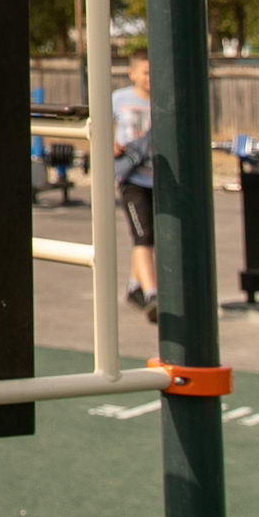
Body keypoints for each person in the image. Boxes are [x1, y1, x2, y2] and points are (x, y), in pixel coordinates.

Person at [112, 55, 157, 323]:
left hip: (157, 177)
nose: (149, 78)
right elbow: (99, 126)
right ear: (132, 74)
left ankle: (134, 285)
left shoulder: (160, 100)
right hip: (132, 178)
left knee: (148, 233)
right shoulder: (120, 98)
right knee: (143, 236)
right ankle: (152, 293)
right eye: (145, 72)